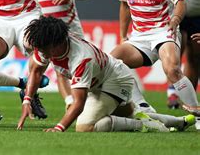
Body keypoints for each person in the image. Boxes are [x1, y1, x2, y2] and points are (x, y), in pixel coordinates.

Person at [17, 16, 196, 132]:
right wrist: (27, 100)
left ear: (57, 43)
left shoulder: (80, 58)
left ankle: (142, 126)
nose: (42, 53)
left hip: (116, 79)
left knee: (85, 126)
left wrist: (59, 128)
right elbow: (36, 70)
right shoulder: (46, 45)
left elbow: (78, 103)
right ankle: (179, 121)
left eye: (45, 49)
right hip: (101, 80)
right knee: (129, 113)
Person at [110, 0, 199, 113]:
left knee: (172, 69)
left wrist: (175, 19)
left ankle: (197, 112)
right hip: (139, 36)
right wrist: (122, 34)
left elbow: (181, 1)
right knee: (113, 62)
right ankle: (142, 106)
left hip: (164, 31)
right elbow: (124, 5)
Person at [34, 0, 93, 109]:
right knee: (57, 68)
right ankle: (69, 103)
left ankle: (85, 101)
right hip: (46, 32)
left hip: (70, 29)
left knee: (78, 66)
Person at [166, 0, 200, 109]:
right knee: (176, 54)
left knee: (195, 57)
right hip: (178, 14)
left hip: (198, 18)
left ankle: (189, 101)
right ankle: (172, 93)